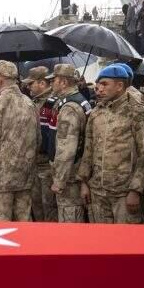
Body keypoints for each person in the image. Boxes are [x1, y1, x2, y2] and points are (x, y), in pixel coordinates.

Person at [77, 65, 144, 224]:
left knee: (126, 243)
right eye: (98, 84)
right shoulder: (96, 113)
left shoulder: (138, 113)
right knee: (100, 242)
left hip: (124, 193)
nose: (99, 88)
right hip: (97, 191)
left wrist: (136, 190)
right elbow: (88, 149)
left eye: (105, 84)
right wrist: (84, 182)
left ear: (119, 86)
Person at [0, 60, 39, 221]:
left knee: (0, 226)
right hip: (24, 175)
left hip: (0, 178)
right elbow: (37, 139)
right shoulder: (29, 102)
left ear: (1, 79)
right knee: (23, 224)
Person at [46, 64, 91, 222]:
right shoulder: (71, 101)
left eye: (54, 80)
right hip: (71, 173)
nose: (51, 84)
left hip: (70, 176)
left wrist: (59, 180)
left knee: (70, 219)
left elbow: (67, 148)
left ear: (64, 82)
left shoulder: (69, 107)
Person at [22, 66, 57, 222]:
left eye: (31, 84)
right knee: (36, 205)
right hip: (34, 162)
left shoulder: (53, 103)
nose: (28, 87)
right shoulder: (34, 103)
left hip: (48, 164)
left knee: (49, 206)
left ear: (42, 83)